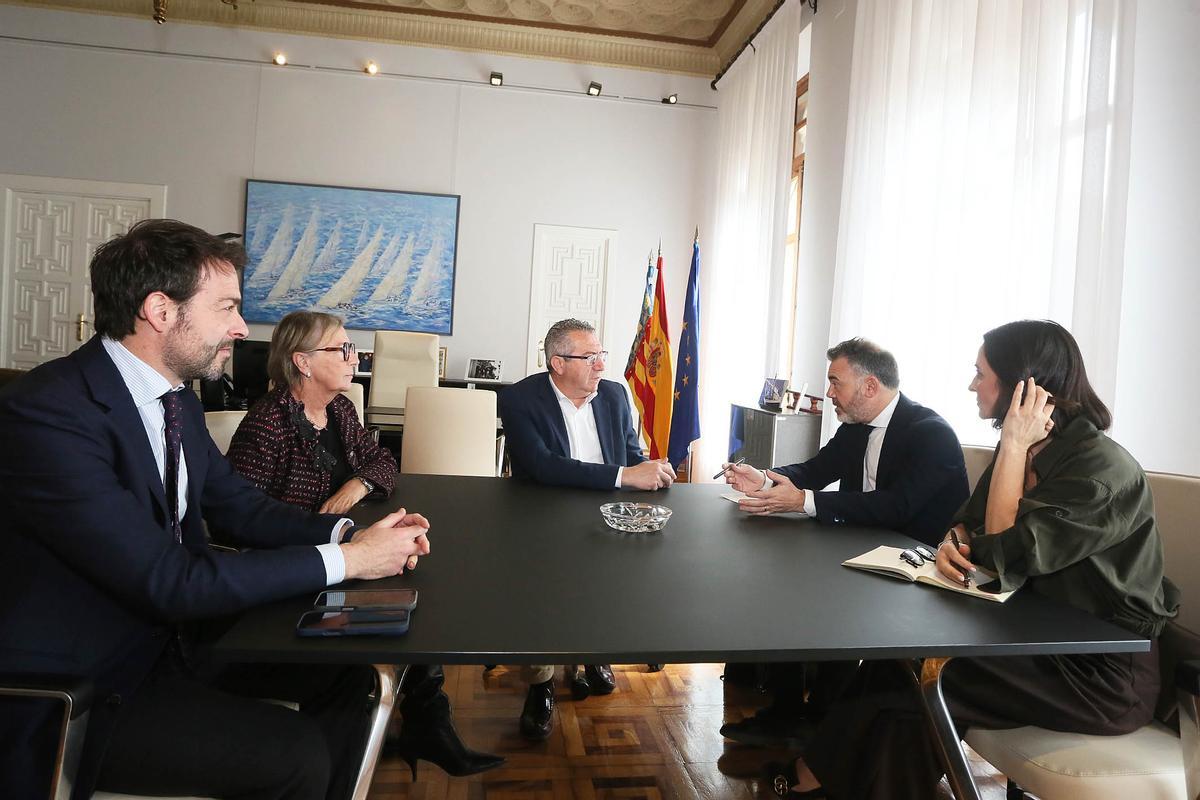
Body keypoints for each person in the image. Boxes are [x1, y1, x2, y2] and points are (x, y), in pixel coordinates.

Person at [0, 220, 431, 800]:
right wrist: (350, 561)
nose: (240, 327)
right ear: (160, 310)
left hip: (173, 642)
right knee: (295, 754)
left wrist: (350, 532)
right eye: (227, 307)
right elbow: (167, 579)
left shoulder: (174, 398)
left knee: (351, 678)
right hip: (86, 685)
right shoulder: (48, 414)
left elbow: (240, 509)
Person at [764, 320, 1180, 799]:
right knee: (896, 664)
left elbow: (1003, 553)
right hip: (1033, 642)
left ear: (1022, 386)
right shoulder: (1027, 450)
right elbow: (967, 523)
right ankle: (817, 778)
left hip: (1100, 673)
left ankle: (816, 780)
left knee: (919, 683)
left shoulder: (1097, 471)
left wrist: (1014, 448)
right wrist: (952, 540)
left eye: (981, 373)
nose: (971, 385)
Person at [227, 310, 502, 779]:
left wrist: (355, 486)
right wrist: (337, 533)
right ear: (302, 361)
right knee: (413, 591)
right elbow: (240, 524)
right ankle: (419, 728)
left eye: (351, 348)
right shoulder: (266, 425)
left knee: (420, 577)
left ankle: (428, 722)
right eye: (341, 349)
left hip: (342, 554)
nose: (353, 357)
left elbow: (384, 461)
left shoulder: (339, 409)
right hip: (292, 578)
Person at [719, 338, 969, 748]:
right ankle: (788, 714)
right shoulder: (855, 426)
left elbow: (898, 507)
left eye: (836, 382)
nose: (829, 392)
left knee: (823, 599)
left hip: (917, 563)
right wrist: (763, 478)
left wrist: (803, 501)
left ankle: (821, 724)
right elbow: (816, 470)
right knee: (782, 588)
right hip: (863, 546)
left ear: (869, 386)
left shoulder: (931, 433)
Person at [498, 317, 676, 740]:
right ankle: (541, 684)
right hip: (542, 514)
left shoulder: (614, 394)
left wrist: (650, 471)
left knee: (609, 584)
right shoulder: (519, 398)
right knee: (542, 597)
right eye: (589, 357)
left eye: (601, 355)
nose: (601, 365)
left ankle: (596, 653)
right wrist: (624, 475)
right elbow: (542, 466)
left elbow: (629, 454)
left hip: (606, 512)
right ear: (557, 363)